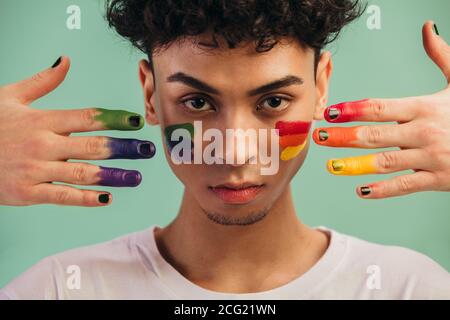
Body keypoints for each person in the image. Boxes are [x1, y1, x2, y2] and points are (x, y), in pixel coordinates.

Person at [0, 0, 449, 299]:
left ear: (321, 85)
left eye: (273, 102)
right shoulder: (59, 289)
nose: (234, 152)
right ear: (150, 94)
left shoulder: (410, 288)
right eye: (197, 103)